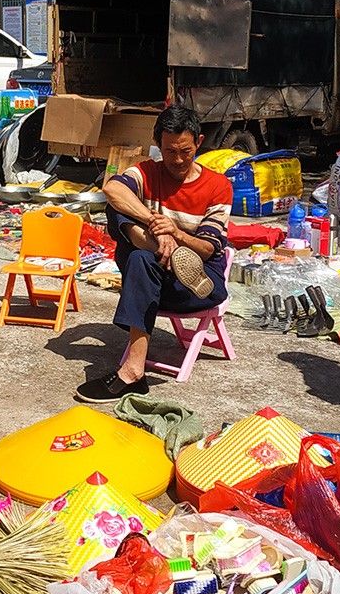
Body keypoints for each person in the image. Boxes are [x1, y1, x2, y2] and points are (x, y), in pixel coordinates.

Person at [75, 105, 231, 403]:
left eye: (186, 151)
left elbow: (208, 247)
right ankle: (152, 244)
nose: (178, 159)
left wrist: (176, 233)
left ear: (199, 142)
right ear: (157, 144)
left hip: (198, 282)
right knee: (119, 211)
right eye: (170, 151)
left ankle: (133, 372)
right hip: (154, 274)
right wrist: (155, 226)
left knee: (140, 258)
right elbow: (112, 190)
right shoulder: (147, 171)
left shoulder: (217, 186)